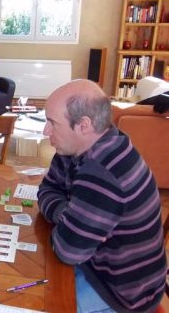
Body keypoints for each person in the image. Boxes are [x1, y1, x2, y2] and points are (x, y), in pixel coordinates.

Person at [37, 79, 166, 313]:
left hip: (123, 294)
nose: (46, 131)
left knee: (31, 302)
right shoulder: (79, 147)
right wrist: (68, 214)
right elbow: (46, 189)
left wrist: (71, 226)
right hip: (98, 267)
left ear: (84, 125)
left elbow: (67, 250)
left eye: (52, 123)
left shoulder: (102, 171)